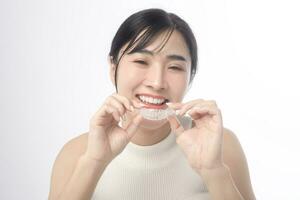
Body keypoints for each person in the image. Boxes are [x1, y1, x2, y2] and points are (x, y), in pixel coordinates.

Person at [48, 8, 256, 200]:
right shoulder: (77, 154)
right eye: (141, 62)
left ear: (190, 76)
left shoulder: (220, 146)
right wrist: (94, 162)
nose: (157, 83)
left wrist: (213, 170)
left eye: (174, 67)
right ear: (113, 67)